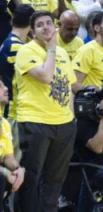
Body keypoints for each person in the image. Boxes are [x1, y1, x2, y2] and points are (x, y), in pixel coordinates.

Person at [14, 11, 77, 212]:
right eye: (40, 25)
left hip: (64, 124)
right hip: (35, 122)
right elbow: (45, 77)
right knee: (30, 179)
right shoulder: (26, 51)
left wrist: (72, 118)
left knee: (55, 181)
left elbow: (69, 87)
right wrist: (51, 49)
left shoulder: (63, 53)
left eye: (49, 23)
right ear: (32, 32)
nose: (46, 27)